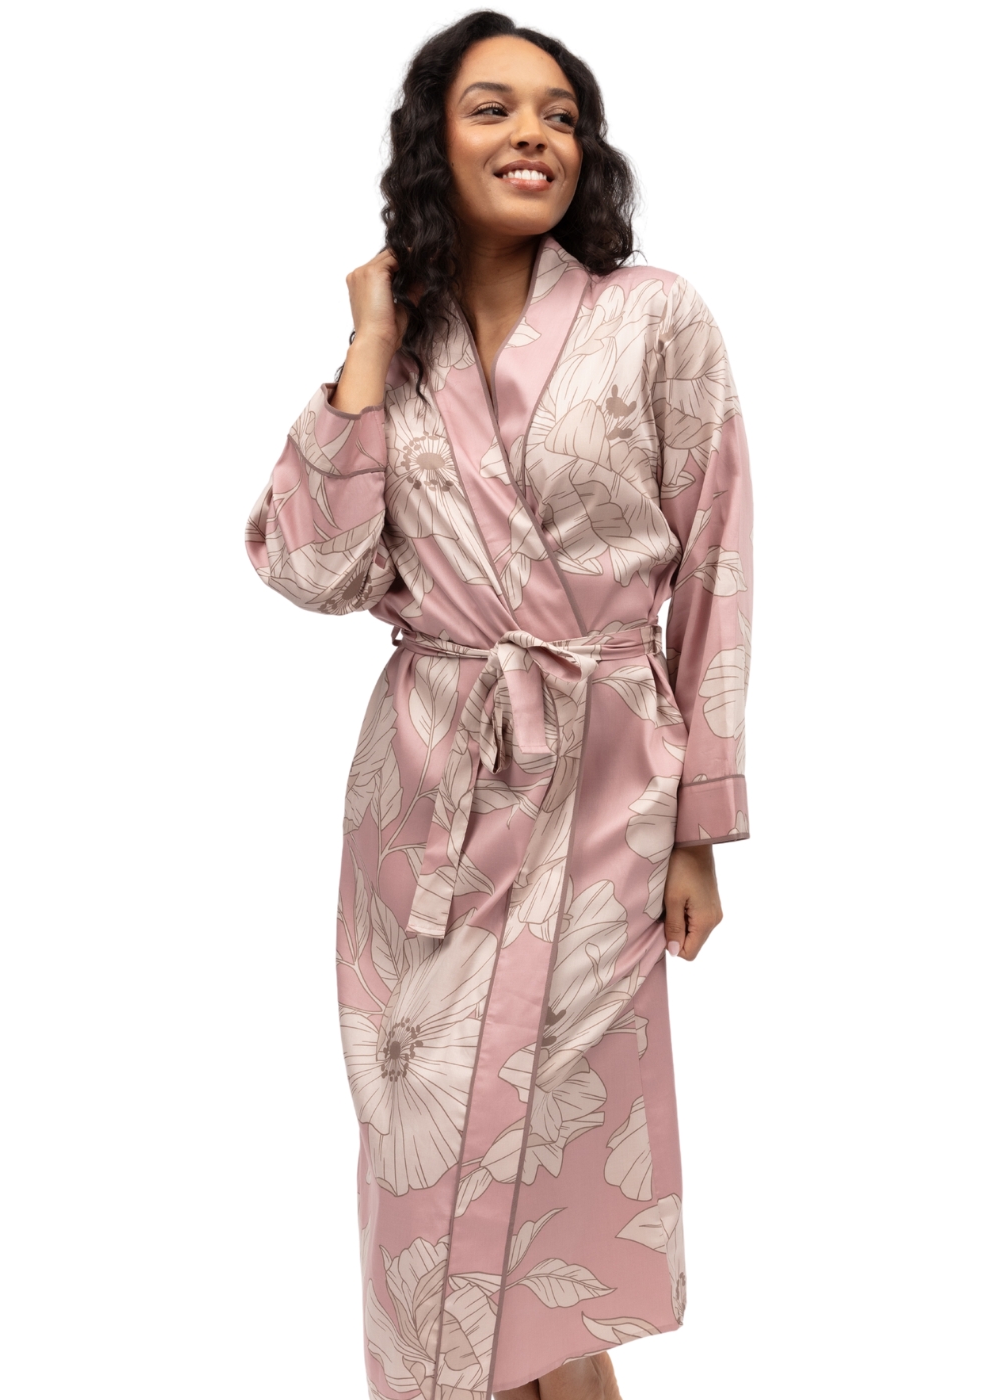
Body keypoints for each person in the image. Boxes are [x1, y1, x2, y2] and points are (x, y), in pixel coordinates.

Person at [244, 11, 753, 1399]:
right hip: (426, 795)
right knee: (424, 1151)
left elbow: (715, 560)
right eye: (493, 109)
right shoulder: (395, 348)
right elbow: (309, 567)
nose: (534, 134)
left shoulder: (654, 315)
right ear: (433, 141)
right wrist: (364, 342)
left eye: (560, 114)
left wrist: (700, 825)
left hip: (604, 786)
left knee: (547, 1169)